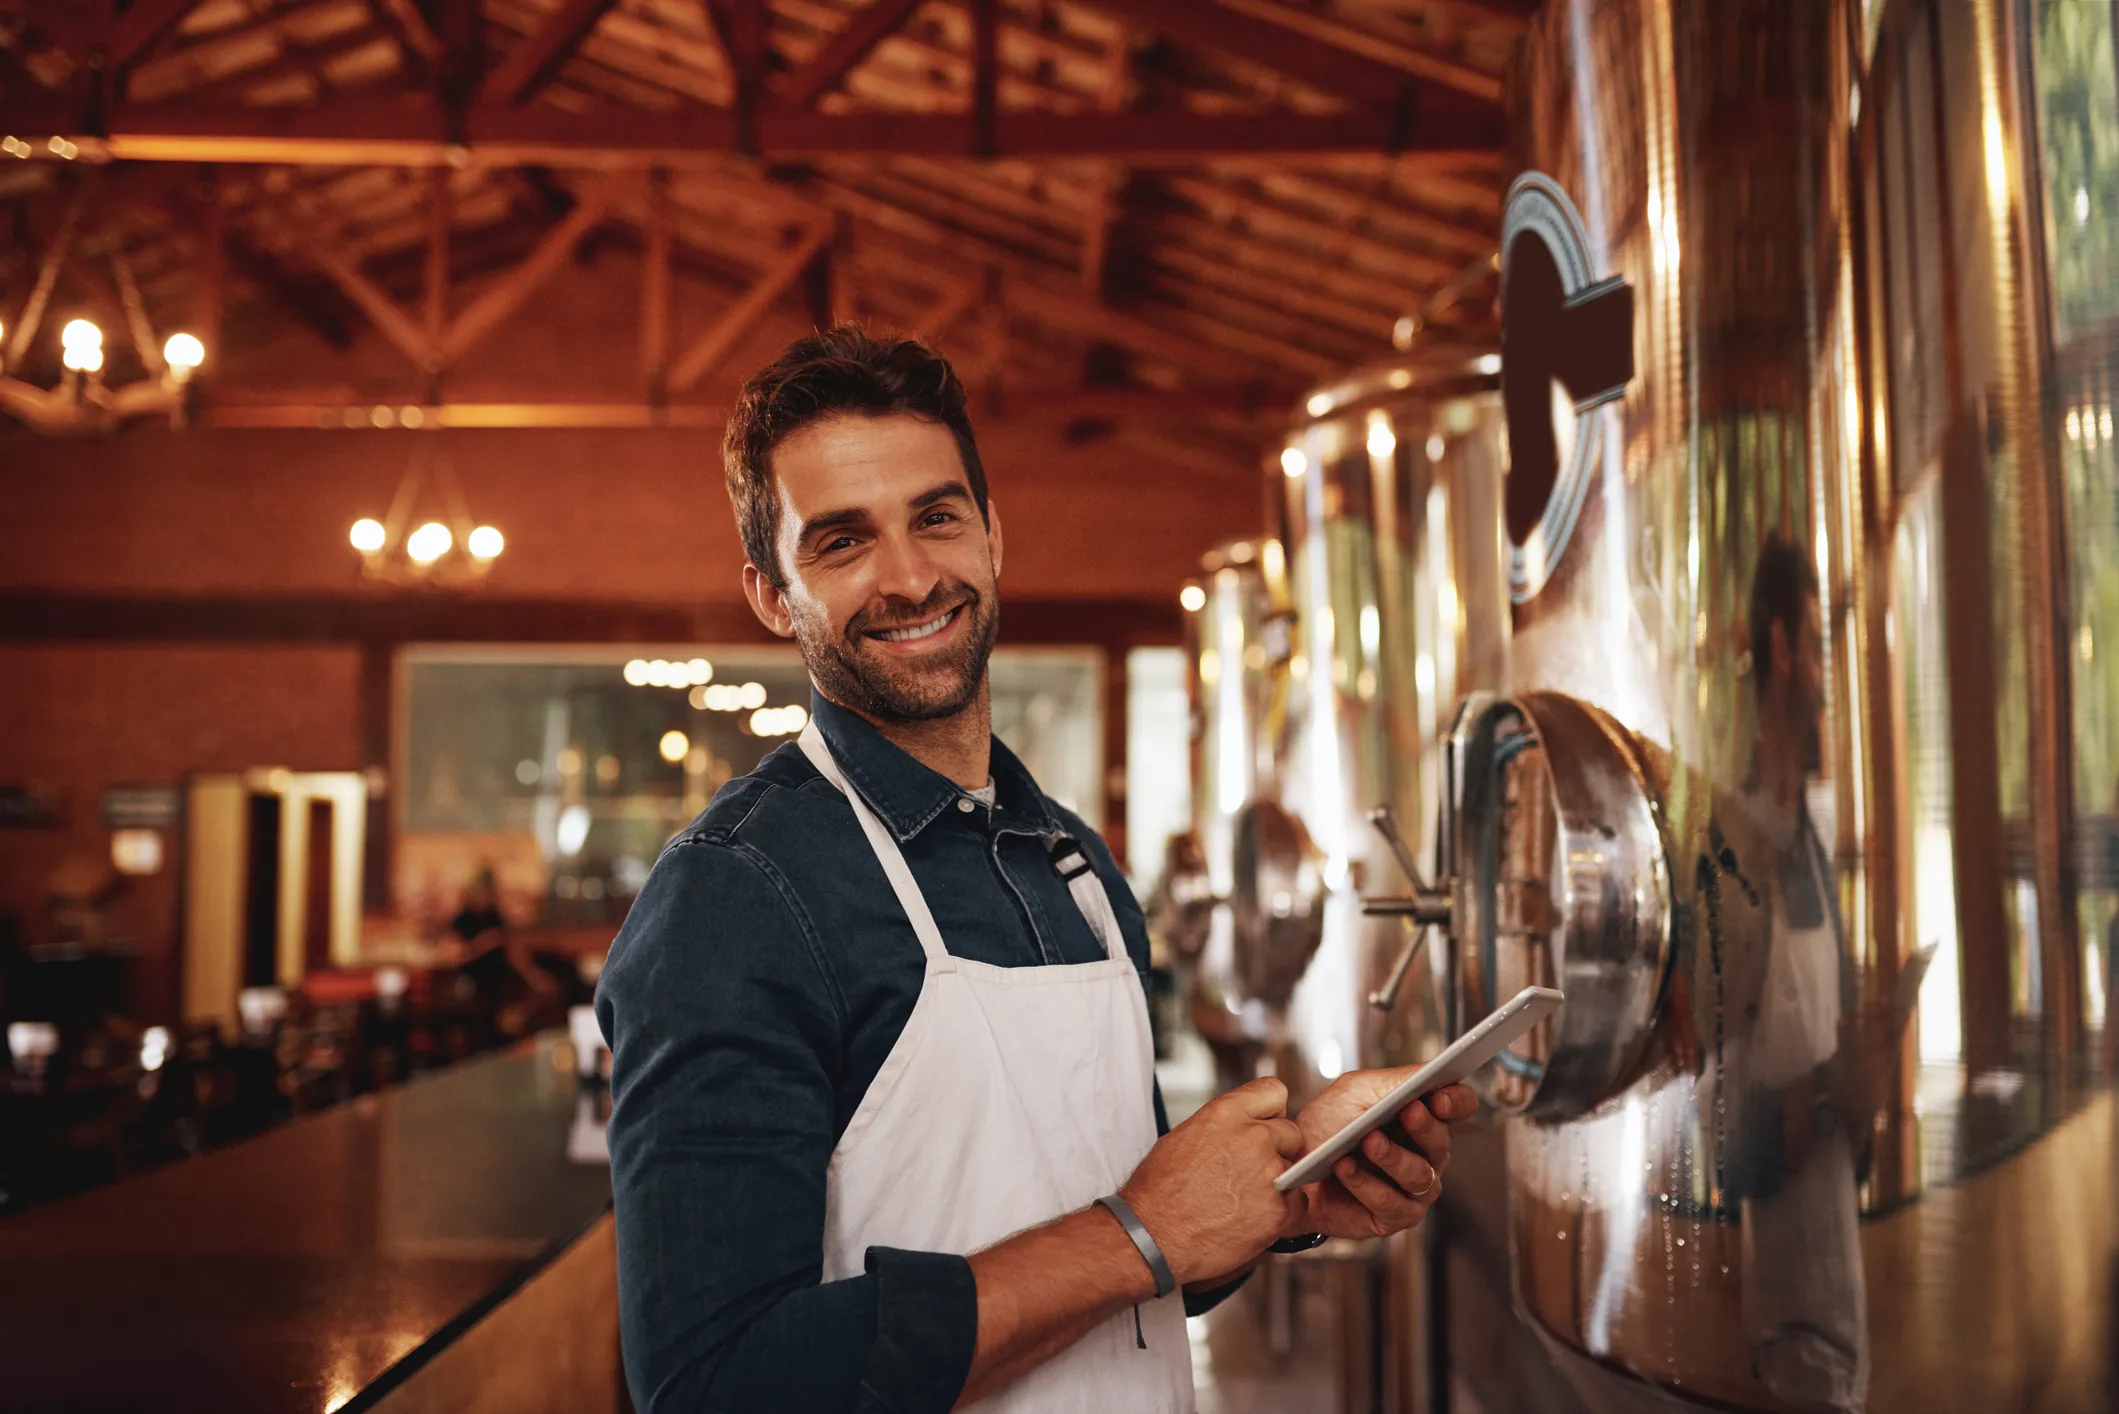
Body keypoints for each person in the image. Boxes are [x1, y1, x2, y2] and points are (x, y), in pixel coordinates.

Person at [595, 328, 1477, 1414]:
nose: (910, 574)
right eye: (840, 541)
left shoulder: (1071, 864)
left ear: (993, 532)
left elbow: (1129, 1258)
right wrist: (1142, 1230)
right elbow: (712, 1385)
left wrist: (1283, 1194)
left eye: (936, 515)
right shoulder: (735, 898)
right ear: (772, 595)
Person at [1707, 536, 1891, 1414]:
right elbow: (1719, 1147)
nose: (1826, 673)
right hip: (1779, 1339)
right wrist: (1830, 1090)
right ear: (1780, 648)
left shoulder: (1810, 848)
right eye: (1817, 645)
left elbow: (1842, 1102)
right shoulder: (1734, 855)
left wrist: (1861, 1096)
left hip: (1844, 1312)